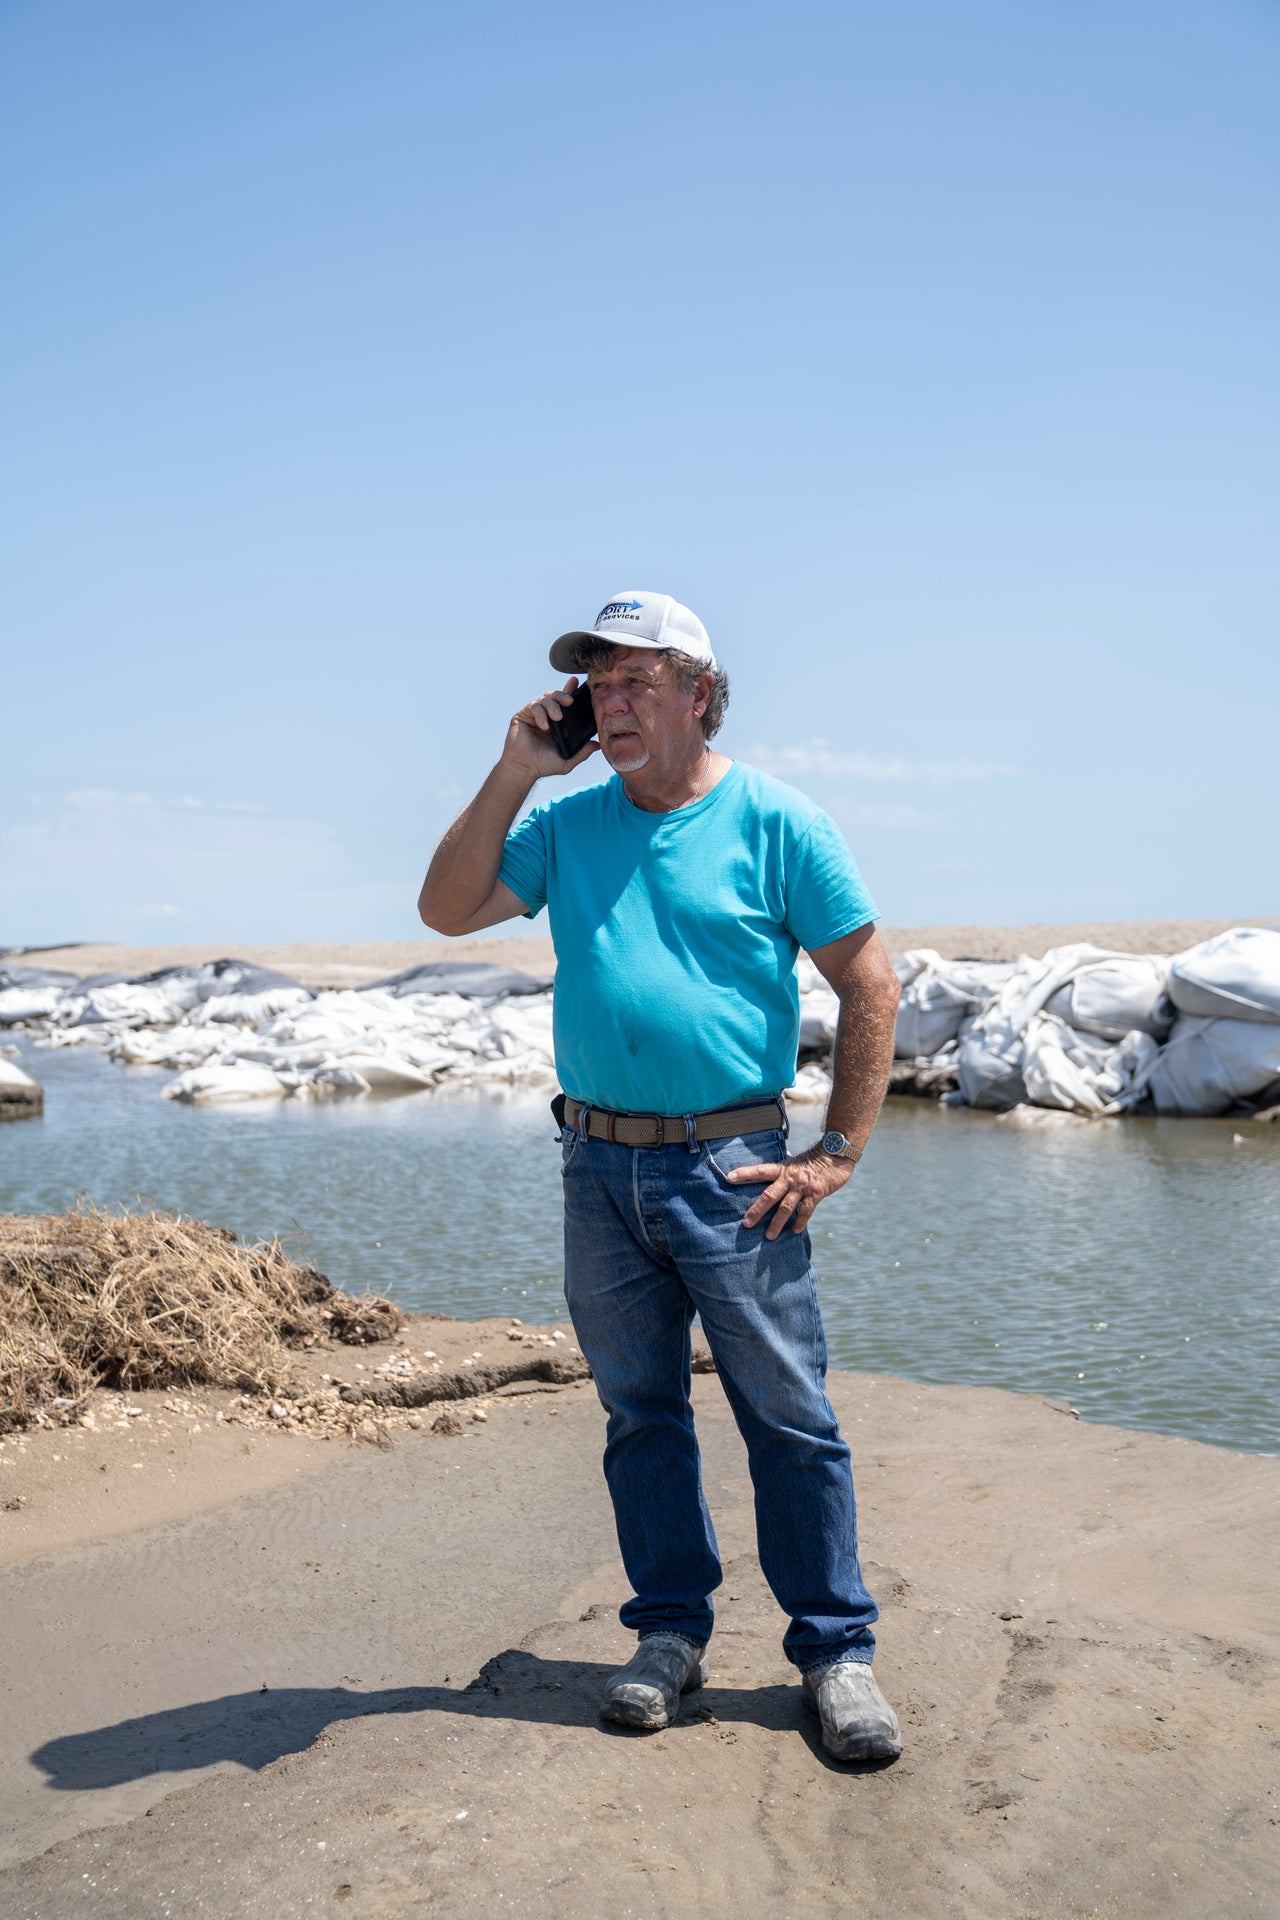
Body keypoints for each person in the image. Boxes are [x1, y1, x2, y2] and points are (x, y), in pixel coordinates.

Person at [419, 590, 903, 1763]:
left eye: (639, 680)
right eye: (598, 683)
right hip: (596, 1167)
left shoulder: (777, 820)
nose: (611, 703)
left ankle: (834, 1654)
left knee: (788, 1419)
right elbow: (442, 911)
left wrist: (833, 1154)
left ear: (699, 691)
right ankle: (669, 1637)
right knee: (639, 1415)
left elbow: (871, 984)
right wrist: (512, 771)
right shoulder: (567, 826)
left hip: (737, 1167)